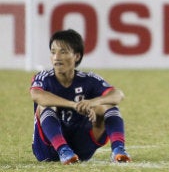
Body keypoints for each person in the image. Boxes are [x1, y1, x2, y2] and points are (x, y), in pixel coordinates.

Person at [29, 29, 131, 164]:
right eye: (53, 52)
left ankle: (119, 150)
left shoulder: (88, 79)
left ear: (76, 56)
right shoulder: (44, 78)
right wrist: (73, 105)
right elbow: (36, 95)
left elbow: (118, 95)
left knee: (108, 105)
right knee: (45, 106)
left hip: (81, 145)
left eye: (63, 52)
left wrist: (93, 102)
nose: (56, 57)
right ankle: (63, 150)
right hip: (47, 149)